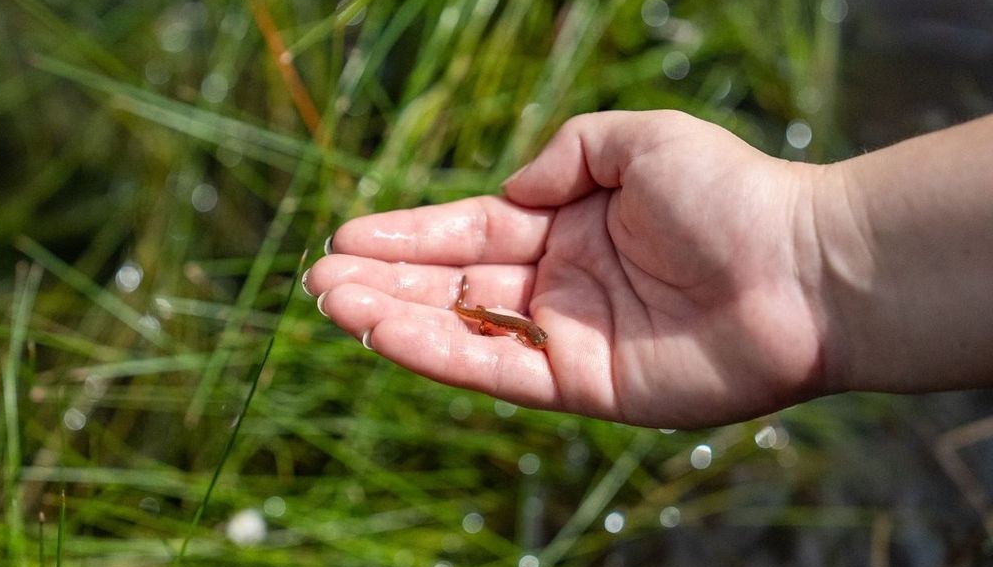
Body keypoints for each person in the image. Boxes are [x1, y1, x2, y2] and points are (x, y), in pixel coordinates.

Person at [302, 110, 993, 429]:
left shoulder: (521, 330)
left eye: (535, 337)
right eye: (536, 336)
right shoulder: (506, 326)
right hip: (484, 313)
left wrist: (799, 248)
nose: (535, 336)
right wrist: (803, 249)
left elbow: (515, 331)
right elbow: (504, 329)